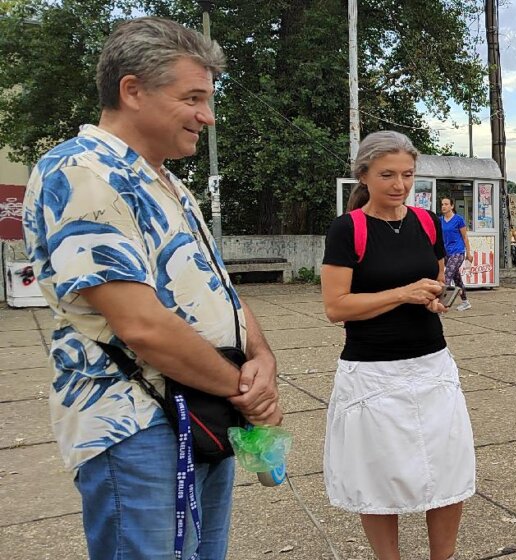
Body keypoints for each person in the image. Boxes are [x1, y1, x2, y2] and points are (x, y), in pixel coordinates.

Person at [20, 17, 281, 559]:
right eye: (193, 98)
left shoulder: (162, 180)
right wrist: (243, 389)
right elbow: (140, 325)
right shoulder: (84, 172)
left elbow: (215, 288)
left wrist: (263, 358)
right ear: (132, 90)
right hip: (136, 420)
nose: (207, 116)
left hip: (194, 407)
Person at [321, 131, 475, 560]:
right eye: (387, 174)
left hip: (431, 364)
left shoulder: (427, 223)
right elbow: (336, 306)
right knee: (378, 479)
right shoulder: (347, 229)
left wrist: (434, 299)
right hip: (372, 372)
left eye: (407, 174)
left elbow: (438, 278)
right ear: (364, 175)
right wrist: (403, 294)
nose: (399, 184)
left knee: (447, 471)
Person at [439, 196, 473, 311]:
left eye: (446, 204)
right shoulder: (440, 220)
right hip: (446, 253)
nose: (443, 206)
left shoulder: (458, 219)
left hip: (458, 252)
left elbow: (464, 237)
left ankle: (442, 305)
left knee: (447, 276)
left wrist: (469, 252)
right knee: (457, 279)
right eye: (442, 204)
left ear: (452, 206)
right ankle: (465, 302)